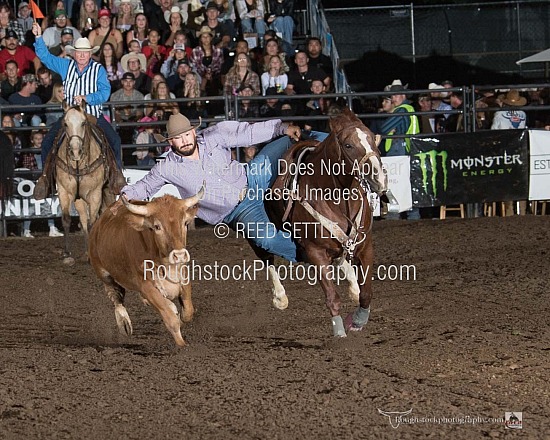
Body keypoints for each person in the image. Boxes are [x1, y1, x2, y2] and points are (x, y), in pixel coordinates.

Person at [113, 112, 317, 262]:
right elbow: (146, 185)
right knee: (267, 239)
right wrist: (123, 197)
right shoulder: (167, 167)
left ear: (193, 131)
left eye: (186, 134)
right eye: (178, 138)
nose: (184, 141)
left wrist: (282, 128)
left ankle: (337, 144)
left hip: (253, 177)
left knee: (291, 139)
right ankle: (311, 254)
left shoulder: (214, 136)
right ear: (171, 142)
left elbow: (247, 132)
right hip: (238, 209)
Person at [31, 24, 124, 200]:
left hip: (92, 115)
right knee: (46, 144)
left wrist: (88, 98)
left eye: (85, 52)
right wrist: (38, 37)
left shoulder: (98, 69)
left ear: (90, 53)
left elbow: (105, 92)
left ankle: (117, 177)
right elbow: (45, 57)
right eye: (79, 52)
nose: (82, 55)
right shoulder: (66, 65)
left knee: (115, 140)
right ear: (74, 53)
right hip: (71, 117)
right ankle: (46, 180)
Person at [380, 82, 420, 220]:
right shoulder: (409, 109)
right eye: (392, 95)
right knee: (405, 182)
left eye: (396, 95)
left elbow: (385, 128)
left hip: (398, 148)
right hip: (406, 147)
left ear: (403, 96)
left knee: (395, 181)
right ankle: (412, 214)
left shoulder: (402, 110)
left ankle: (394, 214)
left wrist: (391, 128)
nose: (394, 98)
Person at [491, 89, 528, 216]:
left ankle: (509, 210)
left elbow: (493, 131)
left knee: (507, 178)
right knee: (520, 178)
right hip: (519, 148)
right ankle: (522, 210)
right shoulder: (523, 115)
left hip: (505, 149)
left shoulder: (500, 115)